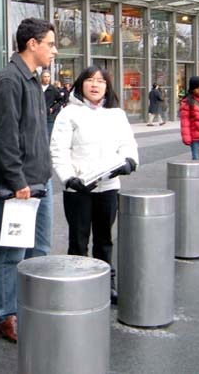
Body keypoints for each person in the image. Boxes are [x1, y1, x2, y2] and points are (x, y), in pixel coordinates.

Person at [0, 17, 57, 343]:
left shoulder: (31, 80)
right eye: (50, 44)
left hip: (40, 181)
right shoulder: (8, 81)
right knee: (11, 253)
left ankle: (30, 308)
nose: (54, 51)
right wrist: (17, 182)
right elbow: (5, 138)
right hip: (20, 187)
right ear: (32, 44)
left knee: (39, 249)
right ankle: (6, 316)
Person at [50, 66, 138, 305]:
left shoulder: (116, 114)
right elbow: (59, 150)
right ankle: (77, 286)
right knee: (78, 240)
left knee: (104, 239)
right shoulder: (68, 113)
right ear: (81, 84)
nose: (95, 85)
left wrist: (130, 161)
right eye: (90, 80)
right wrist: (69, 178)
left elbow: (127, 143)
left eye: (100, 81)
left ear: (107, 86)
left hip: (108, 186)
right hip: (78, 188)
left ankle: (106, 283)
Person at [41, 69, 65, 136]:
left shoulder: (53, 89)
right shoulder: (37, 88)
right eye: (45, 76)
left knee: (48, 135)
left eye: (48, 76)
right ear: (41, 77)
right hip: (38, 116)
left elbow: (61, 100)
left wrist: (53, 108)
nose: (47, 78)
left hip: (49, 117)